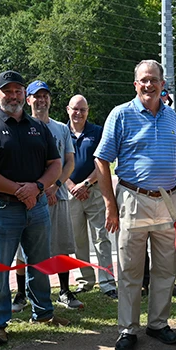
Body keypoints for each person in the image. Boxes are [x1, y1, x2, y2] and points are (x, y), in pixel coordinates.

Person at [94, 59, 176, 350]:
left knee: (166, 268)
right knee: (131, 270)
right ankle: (128, 328)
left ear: (162, 84)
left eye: (153, 80)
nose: (148, 85)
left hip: (169, 201)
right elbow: (102, 159)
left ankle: (158, 323)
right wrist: (110, 204)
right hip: (132, 199)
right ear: (136, 84)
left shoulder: (172, 118)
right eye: (143, 80)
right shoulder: (120, 115)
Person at [0, 70, 66, 346]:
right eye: (7, 91)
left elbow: (55, 164)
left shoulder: (38, 127)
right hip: (2, 207)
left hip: (37, 206)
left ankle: (44, 312)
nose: (13, 96)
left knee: (40, 263)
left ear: (24, 94)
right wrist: (18, 190)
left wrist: (36, 187)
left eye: (18, 91)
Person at [15, 80, 82, 310]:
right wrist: (40, 189)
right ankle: (21, 294)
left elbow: (69, 161)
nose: (41, 100)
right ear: (28, 98)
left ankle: (64, 290)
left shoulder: (61, 129)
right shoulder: (19, 126)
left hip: (59, 195)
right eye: (37, 96)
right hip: (31, 198)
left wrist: (56, 185)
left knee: (61, 245)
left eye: (45, 96)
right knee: (24, 248)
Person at [66, 94, 117, 299]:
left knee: (101, 237)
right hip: (70, 192)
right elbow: (57, 164)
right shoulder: (61, 132)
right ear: (68, 110)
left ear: (88, 111)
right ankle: (84, 281)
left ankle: (107, 281)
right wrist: (71, 186)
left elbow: (103, 162)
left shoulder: (96, 132)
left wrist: (86, 183)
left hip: (94, 190)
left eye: (83, 110)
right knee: (78, 240)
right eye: (75, 109)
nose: (78, 113)